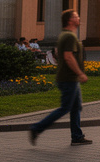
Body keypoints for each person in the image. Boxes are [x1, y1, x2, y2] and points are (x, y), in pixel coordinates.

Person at [29, 9, 91, 146]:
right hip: (68, 79)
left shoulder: (65, 35)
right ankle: (36, 128)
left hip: (70, 78)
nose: (79, 18)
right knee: (65, 108)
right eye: (76, 16)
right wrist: (80, 73)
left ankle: (77, 136)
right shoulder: (69, 37)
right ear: (70, 21)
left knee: (76, 107)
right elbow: (68, 57)